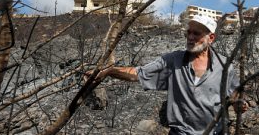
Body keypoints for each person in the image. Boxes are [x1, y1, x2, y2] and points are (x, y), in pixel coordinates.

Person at [89, 15, 246, 135]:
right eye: (188, 33)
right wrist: (109, 71)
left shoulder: (225, 65)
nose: (190, 38)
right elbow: (138, 73)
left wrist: (239, 103)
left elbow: (234, 93)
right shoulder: (173, 60)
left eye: (196, 34)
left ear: (210, 38)